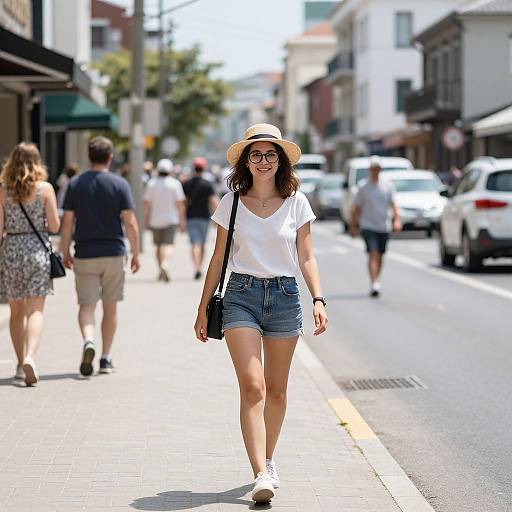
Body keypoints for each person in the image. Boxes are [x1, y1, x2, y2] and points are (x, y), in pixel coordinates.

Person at [193, 124, 328, 503]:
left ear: (280, 160)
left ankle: (269, 459)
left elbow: (307, 256)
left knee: (279, 392)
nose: (264, 161)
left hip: (285, 296)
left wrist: (318, 299)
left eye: (271, 155)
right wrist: (203, 309)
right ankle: (259, 474)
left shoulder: (297, 202)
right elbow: (218, 259)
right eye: (256, 155)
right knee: (254, 387)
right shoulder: (231, 202)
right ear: (246, 162)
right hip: (241, 296)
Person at [60, 136, 141, 376]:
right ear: (110, 157)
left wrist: (64, 251)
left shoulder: (75, 184)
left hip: (84, 253)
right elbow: (130, 222)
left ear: (88, 155)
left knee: (86, 306)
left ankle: (89, 340)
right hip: (114, 253)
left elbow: (66, 223)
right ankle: (105, 358)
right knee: (110, 308)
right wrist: (136, 253)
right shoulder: (119, 184)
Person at [0, 142, 60, 385]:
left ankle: (18, 364)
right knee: (36, 310)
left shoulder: (3, 190)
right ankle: (31, 357)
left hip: (11, 251)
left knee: (16, 312)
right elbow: (55, 226)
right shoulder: (45, 189)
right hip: (37, 252)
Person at [349, 156, 402, 297]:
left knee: (381, 255)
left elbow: (393, 204)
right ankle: (374, 283)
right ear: (369, 170)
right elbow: (356, 208)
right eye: (373, 169)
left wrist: (396, 220)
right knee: (373, 253)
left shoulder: (388, 186)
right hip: (368, 225)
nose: (375, 171)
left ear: (381, 170)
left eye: (377, 168)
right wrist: (353, 225)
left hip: (384, 225)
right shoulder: (363, 186)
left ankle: (376, 278)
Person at [143, 158, 186, 282]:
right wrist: (182, 219)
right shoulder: (174, 184)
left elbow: (146, 203)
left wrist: (144, 219)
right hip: (171, 220)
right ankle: (165, 264)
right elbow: (180, 204)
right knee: (168, 244)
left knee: (157, 246)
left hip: (155, 220)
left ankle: (159, 268)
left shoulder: (151, 183)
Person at [183, 157, 219, 280]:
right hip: (204, 217)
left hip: (191, 217)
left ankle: (196, 267)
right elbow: (213, 202)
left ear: (194, 168)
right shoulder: (208, 184)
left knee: (194, 243)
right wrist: (217, 219)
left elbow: (184, 203)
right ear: (203, 168)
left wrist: (182, 219)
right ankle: (200, 266)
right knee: (202, 244)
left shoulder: (187, 184)